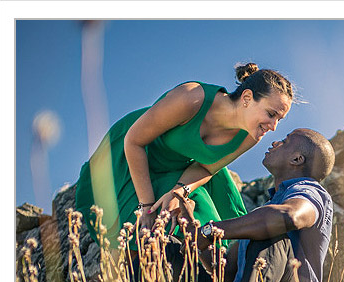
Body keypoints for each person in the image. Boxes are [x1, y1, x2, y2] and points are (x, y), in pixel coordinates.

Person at [74, 63, 293, 247]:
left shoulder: (251, 135)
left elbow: (207, 168)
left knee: (204, 225)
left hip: (182, 169)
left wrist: (179, 191)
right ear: (247, 97)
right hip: (133, 153)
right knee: (141, 227)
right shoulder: (192, 98)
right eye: (271, 114)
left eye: (279, 120)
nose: (273, 127)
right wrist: (146, 206)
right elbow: (134, 141)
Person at [175, 127, 335, 282]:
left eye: (285, 141)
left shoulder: (310, 191)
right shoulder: (267, 210)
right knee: (171, 252)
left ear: (297, 159)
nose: (275, 142)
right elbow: (223, 270)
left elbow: (289, 216)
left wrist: (211, 230)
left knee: (271, 231)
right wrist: (191, 225)